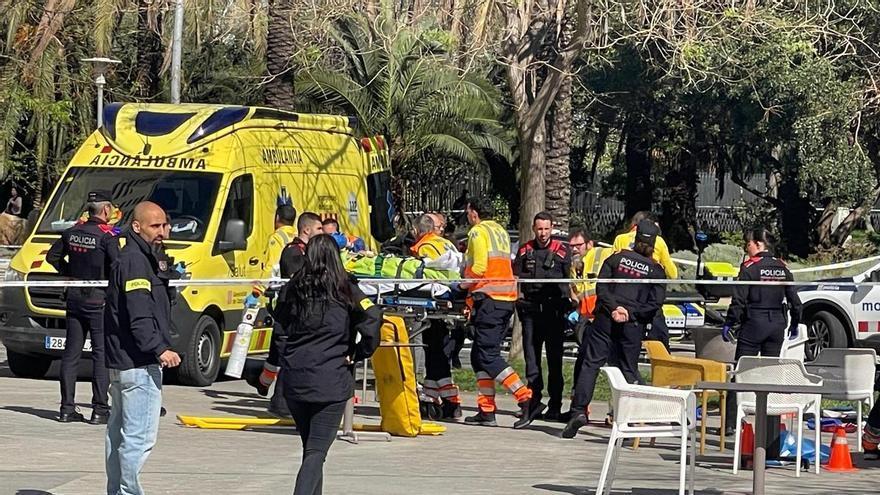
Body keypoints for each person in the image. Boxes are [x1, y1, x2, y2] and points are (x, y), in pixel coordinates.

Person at [273, 234, 382, 494]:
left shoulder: (291, 288)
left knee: (311, 450)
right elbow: (373, 316)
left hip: (296, 379)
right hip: (330, 380)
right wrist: (359, 352)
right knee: (316, 452)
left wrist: (282, 360)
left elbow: (280, 329)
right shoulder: (346, 288)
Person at [105, 201, 182, 495]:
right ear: (137, 227)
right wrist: (159, 348)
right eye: (155, 226)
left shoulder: (141, 256)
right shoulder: (136, 260)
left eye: (165, 224)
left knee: (118, 434)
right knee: (138, 437)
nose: (163, 231)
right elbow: (139, 313)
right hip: (138, 362)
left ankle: (117, 491)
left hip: (123, 361)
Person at [562, 219, 666, 438]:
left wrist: (614, 308)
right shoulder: (656, 271)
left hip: (605, 320)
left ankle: (578, 411)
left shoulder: (615, 259)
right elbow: (655, 304)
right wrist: (630, 313)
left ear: (635, 239)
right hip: (632, 325)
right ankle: (629, 419)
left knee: (590, 364)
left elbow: (601, 287)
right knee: (628, 369)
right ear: (654, 244)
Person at [45, 190, 119, 424]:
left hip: (74, 299)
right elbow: (117, 266)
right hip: (98, 301)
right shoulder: (107, 237)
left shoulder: (71, 233)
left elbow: (52, 257)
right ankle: (100, 410)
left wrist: (69, 273)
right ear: (106, 210)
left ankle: (66, 408)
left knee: (71, 353)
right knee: (100, 354)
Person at [460, 196, 534, 428]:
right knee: (478, 356)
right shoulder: (500, 231)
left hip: (489, 298)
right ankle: (486, 410)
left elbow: (480, 267)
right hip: (505, 299)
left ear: (473, 213)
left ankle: (525, 398)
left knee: (488, 355)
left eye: (468, 212)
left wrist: (462, 283)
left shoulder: (477, 232)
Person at [721, 228, 801, 436]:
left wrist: (730, 323)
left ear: (758, 244)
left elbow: (739, 299)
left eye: (747, 244)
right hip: (777, 324)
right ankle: (770, 423)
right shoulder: (782, 268)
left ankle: (731, 422)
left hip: (754, 323)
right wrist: (795, 323)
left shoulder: (749, 267)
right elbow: (795, 299)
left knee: (740, 372)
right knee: (770, 373)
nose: (746, 248)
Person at [249, 211, 324, 418]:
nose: (322, 232)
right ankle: (279, 404)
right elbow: (297, 280)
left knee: (280, 356)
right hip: (289, 312)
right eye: (318, 229)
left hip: (295, 313)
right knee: (287, 357)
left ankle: (261, 380)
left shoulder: (306, 251)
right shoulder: (293, 252)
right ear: (306, 229)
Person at [513, 212, 571, 422]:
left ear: (552, 228)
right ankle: (533, 401)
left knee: (555, 361)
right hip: (530, 312)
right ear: (533, 228)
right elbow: (517, 278)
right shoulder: (524, 250)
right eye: (540, 229)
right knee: (532, 361)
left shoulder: (562, 251)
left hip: (554, 312)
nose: (543, 233)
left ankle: (555, 406)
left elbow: (568, 280)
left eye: (547, 229)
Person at [411, 214, 462, 419]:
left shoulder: (425, 247)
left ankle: (449, 402)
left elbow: (421, 273)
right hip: (450, 297)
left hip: (434, 300)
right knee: (436, 352)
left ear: (418, 231)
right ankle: (435, 398)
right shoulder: (446, 244)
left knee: (436, 353)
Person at [613, 211, 676, 349]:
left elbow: (614, 266)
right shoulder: (658, 242)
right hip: (647, 296)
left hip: (622, 295)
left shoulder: (620, 239)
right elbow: (673, 273)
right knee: (659, 335)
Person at [261, 204, 298, 280]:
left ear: (277, 217)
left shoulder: (277, 237)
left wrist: (260, 287)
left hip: (282, 282)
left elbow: (273, 265)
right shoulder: (297, 235)